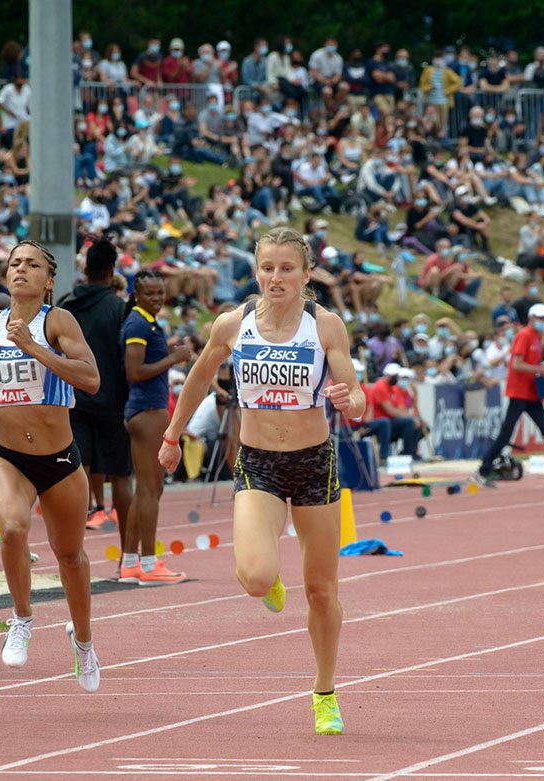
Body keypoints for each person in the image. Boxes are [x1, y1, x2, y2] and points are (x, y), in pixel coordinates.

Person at [159, 227, 363, 735]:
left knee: (320, 591)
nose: (276, 277)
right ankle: (271, 580)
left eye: (287, 268)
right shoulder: (233, 324)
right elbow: (200, 377)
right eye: (267, 268)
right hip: (259, 464)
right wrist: (172, 434)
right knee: (254, 577)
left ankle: (324, 692)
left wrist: (350, 403)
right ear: (255, 272)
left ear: (306, 274)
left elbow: (356, 394)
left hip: (315, 463)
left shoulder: (325, 326)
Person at [0, 240, 103, 692]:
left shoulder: (58, 321)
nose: (21, 270)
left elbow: (90, 378)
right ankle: (21, 618)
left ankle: (84, 643)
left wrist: (35, 348)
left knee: (70, 556)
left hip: (59, 459)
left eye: (32, 264)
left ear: (49, 280)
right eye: (15, 263)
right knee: (12, 529)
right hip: (7, 455)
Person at [119, 270, 191, 585]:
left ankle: (131, 563)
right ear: (136, 294)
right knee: (150, 489)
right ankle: (148, 565)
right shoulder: (137, 322)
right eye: (150, 293)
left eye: (160, 293)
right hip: (147, 411)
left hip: (147, 410)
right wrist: (174, 359)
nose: (157, 299)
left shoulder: (145, 321)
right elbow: (134, 371)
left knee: (146, 490)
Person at [57, 239, 132, 540]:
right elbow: (128, 360)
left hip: (73, 400)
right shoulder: (120, 309)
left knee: (76, 474)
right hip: (113, 402)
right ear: (112, 270)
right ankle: (128, 555)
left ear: (84, 268)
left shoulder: (64, 306)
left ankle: (73, 551)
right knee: (122, 477)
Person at [472, 303, 544, 489]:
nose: (543, 322)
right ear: (531, 318)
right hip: (520, 392)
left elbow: (530, 362)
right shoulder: (525, 336)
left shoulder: (536, 337)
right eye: (540, 318)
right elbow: (516, 364)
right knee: (507, 434)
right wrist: (541, 369)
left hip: (531, 392)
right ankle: (482, 471)